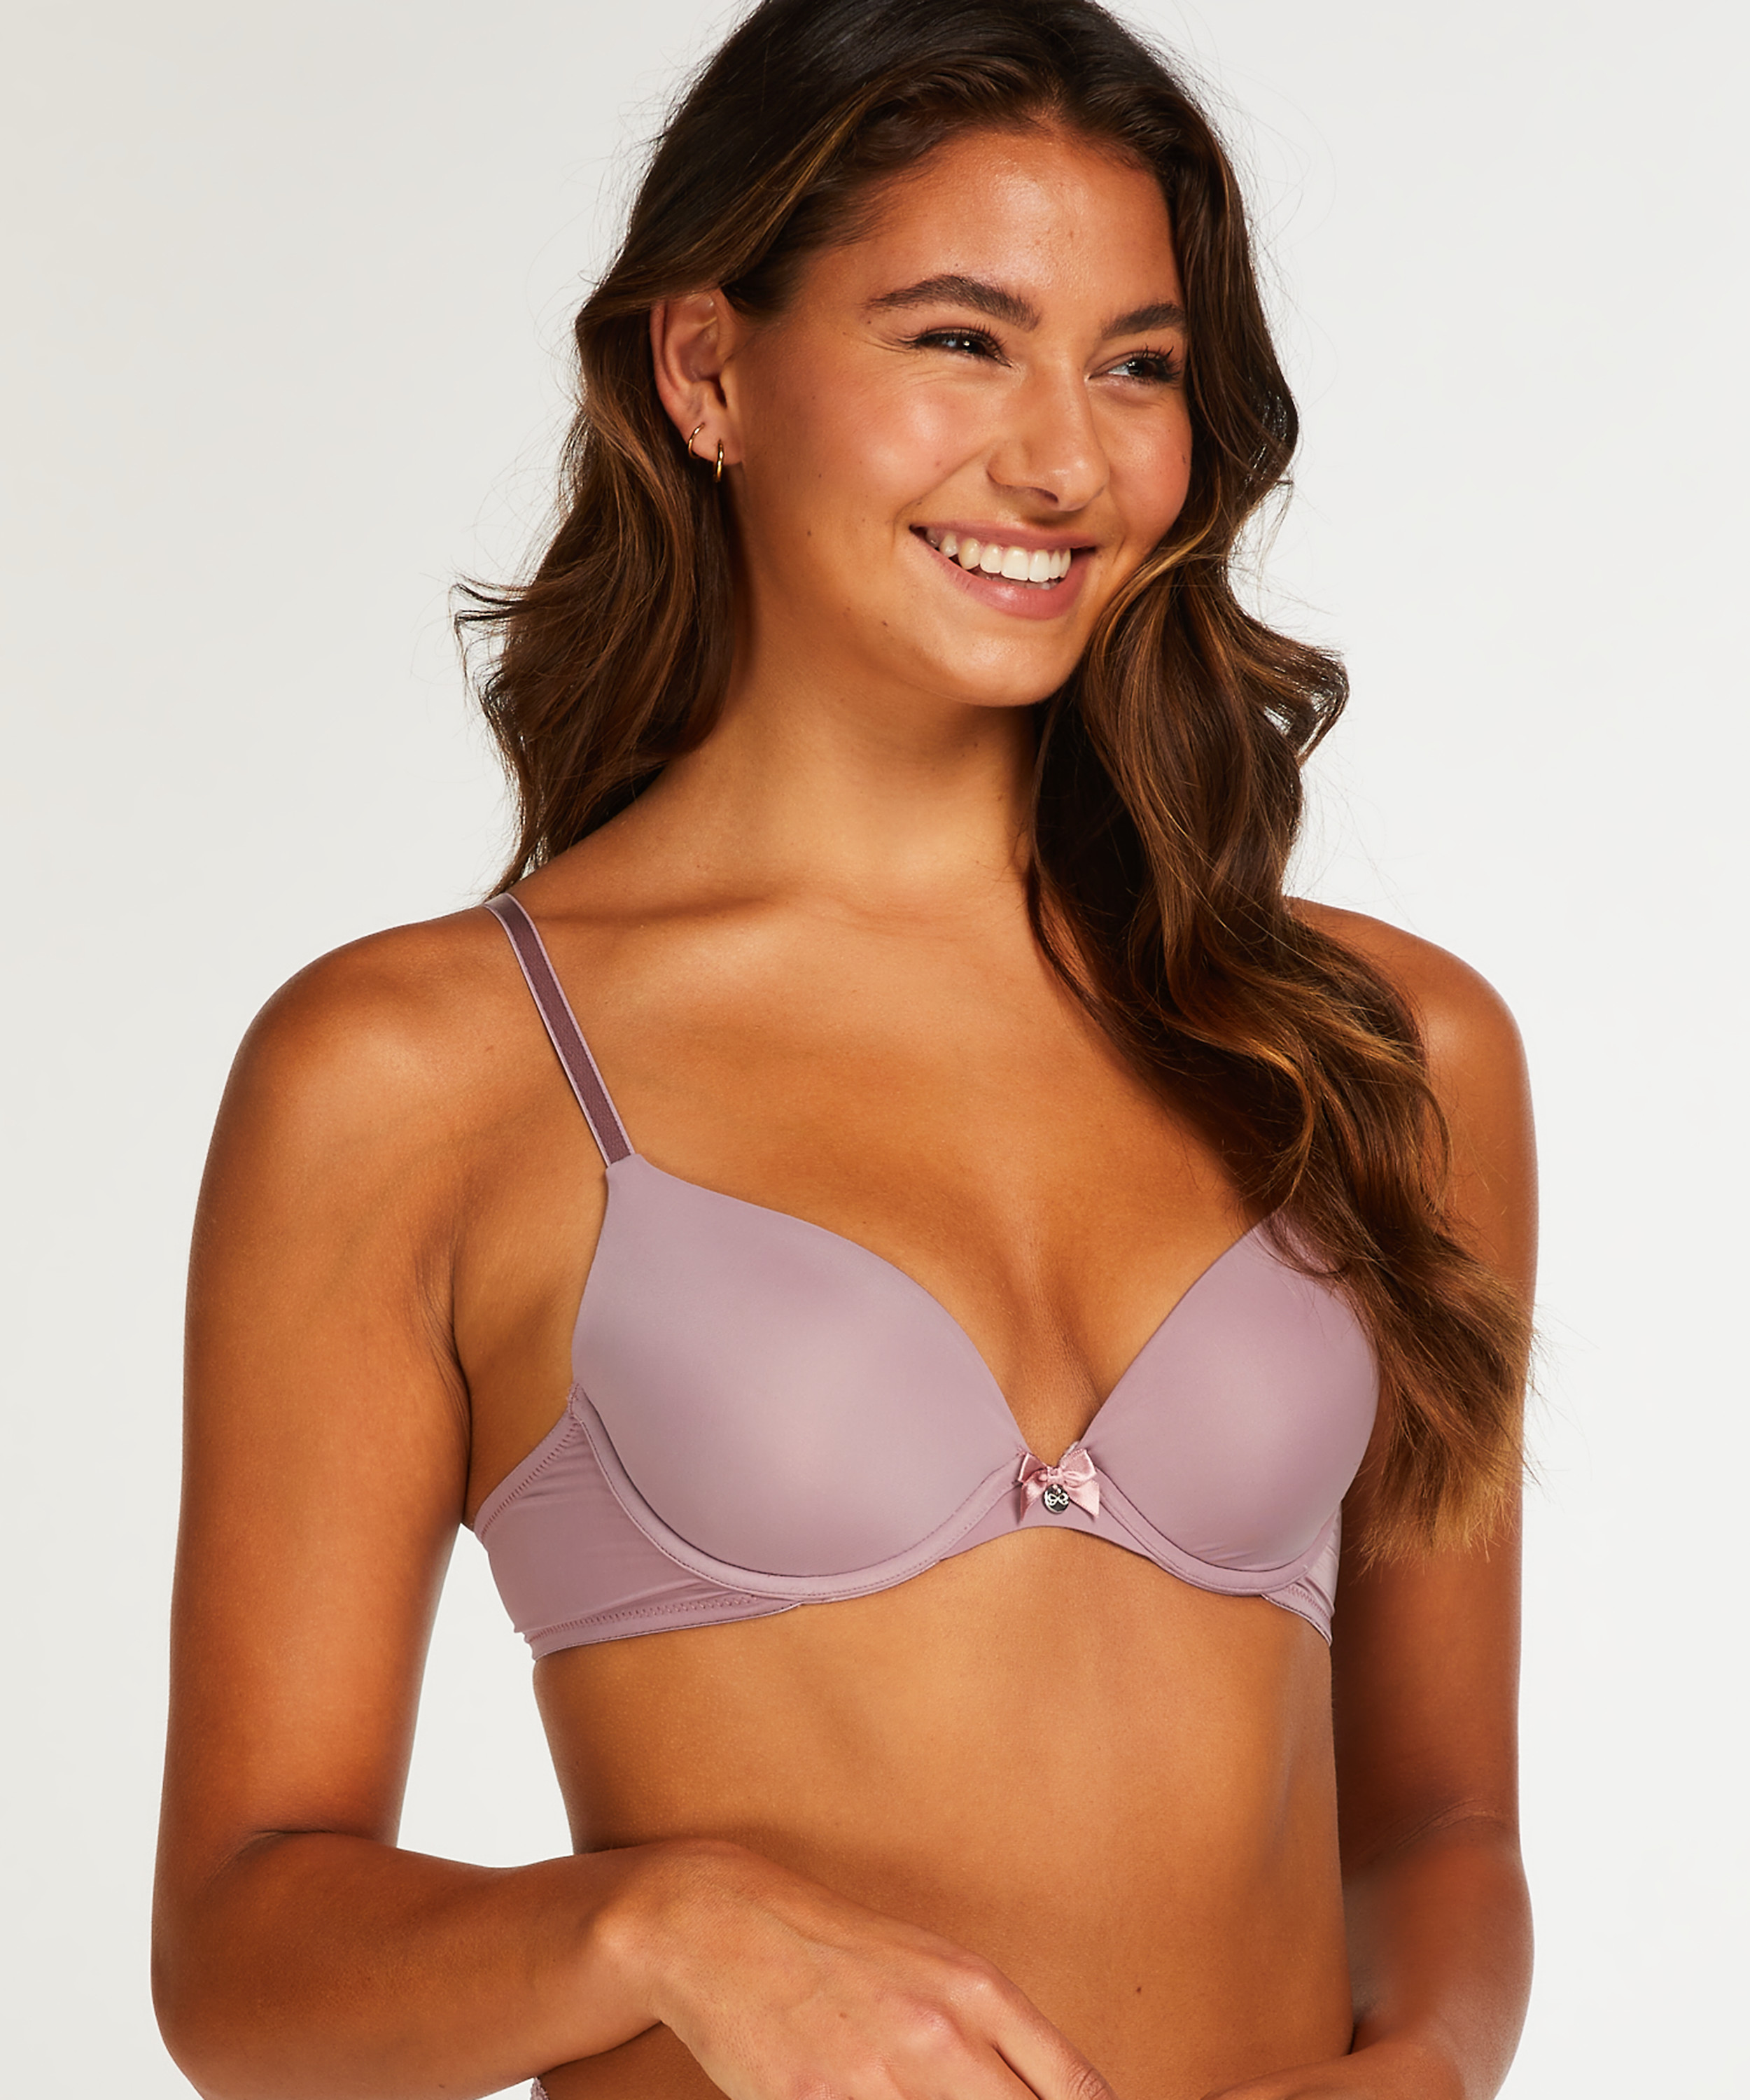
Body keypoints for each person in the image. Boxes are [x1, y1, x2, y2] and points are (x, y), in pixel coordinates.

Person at [152, 2, 1536, 2096]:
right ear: (705, 369)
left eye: (1137, 365)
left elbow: (1439, 1823)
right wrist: (667, 1928)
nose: (1062, 462)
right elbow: (243, 1953)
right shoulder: (421, 1071)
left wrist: (1420, 2070)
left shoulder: (1376, 1052)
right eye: (962, 340)